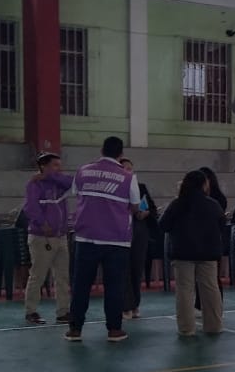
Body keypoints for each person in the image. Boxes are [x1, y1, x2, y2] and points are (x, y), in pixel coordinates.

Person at [67, 136, 140, 343]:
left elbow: (77, 193)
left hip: (86, 237)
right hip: (116, 240)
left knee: (81, 285)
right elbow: (135, 206)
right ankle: (114, 330)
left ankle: (75, 329)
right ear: (121, 154)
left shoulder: (83, 171)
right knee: (114, 286)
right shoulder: (128, 178)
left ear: (101, 150)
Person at [159, 170, 226, 337]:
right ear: (204, 185)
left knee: (184, 290)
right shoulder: (213, 204)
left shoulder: (177, 204)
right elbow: (222, 225)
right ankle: (214, 325)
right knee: (211, 289)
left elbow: (163, 225)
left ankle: (186, 328)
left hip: (183, 253)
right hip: (209, 253)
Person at [22, 152, 73, 326]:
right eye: (54, 165)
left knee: (62, 276)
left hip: (61, 236)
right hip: (41, 237)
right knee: (38, 274)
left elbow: (72, 182)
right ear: (43, 166)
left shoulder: (60, 183)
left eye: (59, 165)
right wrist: (42, 223)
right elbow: (30, 207)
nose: (59, 168)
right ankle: (31, 311)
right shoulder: (34, 184)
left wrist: (51, 176)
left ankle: (63, 311)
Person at [118, 156, 156, 321]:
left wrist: (145, 213)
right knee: (123, 269)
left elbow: (152, 208)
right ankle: (125, 306)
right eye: (124, 168)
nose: (128, 171)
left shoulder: (141, 187)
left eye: (130, 169)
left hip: (139, 232)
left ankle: (135, 305)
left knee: (136, 268)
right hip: (120, 232)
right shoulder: (115, 188)